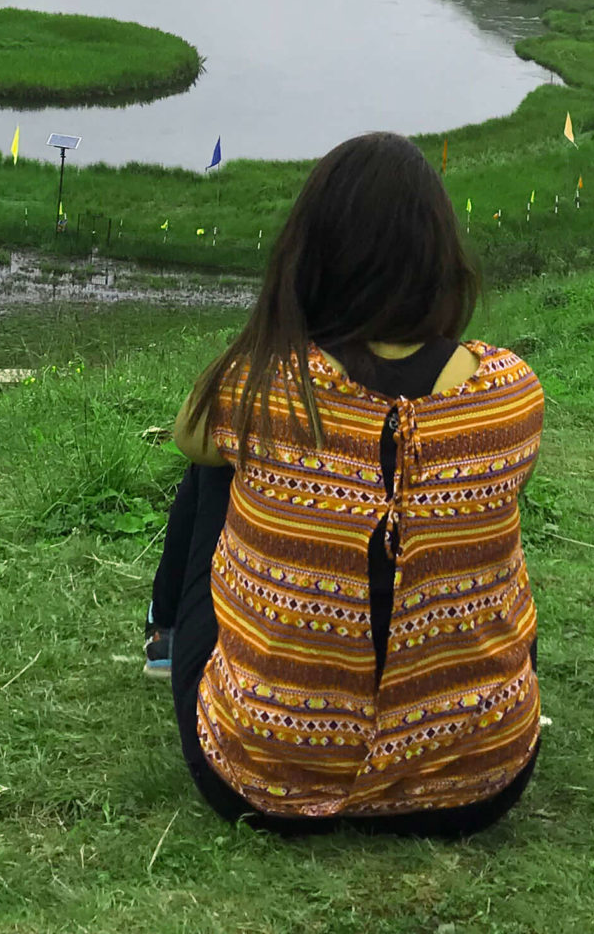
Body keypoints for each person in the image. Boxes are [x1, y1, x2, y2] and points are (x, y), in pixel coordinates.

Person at [143, 132, 544, 836]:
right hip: (478, 782)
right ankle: (453, 710)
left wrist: (280, 325)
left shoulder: (263, 388)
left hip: (260, 777)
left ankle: (166, 643)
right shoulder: (508, 393)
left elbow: (188, 433)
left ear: (312, 256)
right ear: (439, 257)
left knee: (211, 469)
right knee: (470, 526)